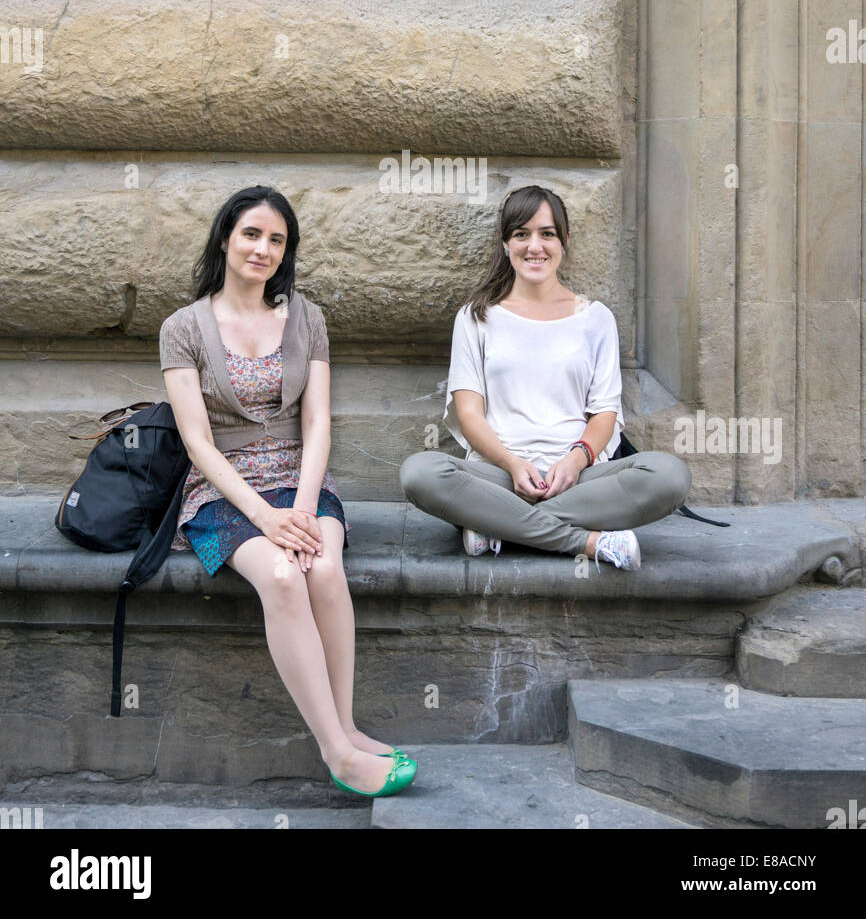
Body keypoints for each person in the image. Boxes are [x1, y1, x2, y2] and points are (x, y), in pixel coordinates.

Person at [159, 184, 416, 798]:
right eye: (251, 234)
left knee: (323, 567)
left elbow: (319, 423)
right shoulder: (182, 328)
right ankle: (338, 754)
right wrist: (264, 518)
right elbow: (197, 442)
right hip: (221, 492)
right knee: (280, 575)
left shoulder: (307, 319)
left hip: (300, 482)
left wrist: (299, 509)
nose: (263, 248)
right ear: (226, 237)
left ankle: (348, 727)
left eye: (277, 239)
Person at [400, 185, 692, 570]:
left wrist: (573, 462)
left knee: (670, 476)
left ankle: (496, 524)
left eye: (547, 233)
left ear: (564, 241)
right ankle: (588, 542)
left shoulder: (596, 318)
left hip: (579, 479)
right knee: (420, 473)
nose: (534, 246)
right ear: (506, 243)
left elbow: (605, 415)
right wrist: (512, 464)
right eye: (521, 234)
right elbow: (469, 413)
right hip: (498, 477)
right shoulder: (476, 317)